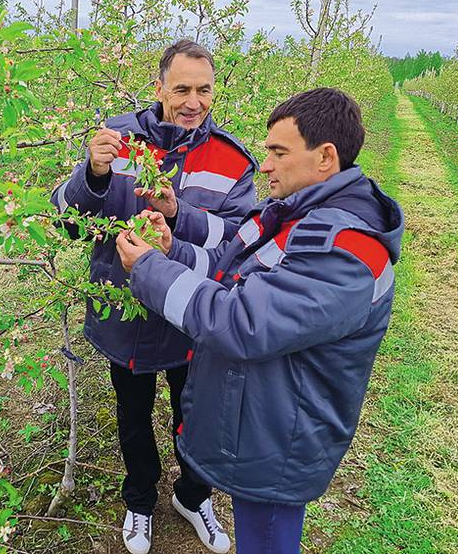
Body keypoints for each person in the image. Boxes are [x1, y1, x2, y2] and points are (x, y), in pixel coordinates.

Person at [115, 87, 404, 554]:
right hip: (262, 417)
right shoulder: (297, 213)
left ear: (325, 157)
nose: (264, 165)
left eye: (278, 152)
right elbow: (232, 267)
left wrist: (149, 268)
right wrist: (174, 247)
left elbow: (243, 319)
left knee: (267, 539)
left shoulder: (345, 250)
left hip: (280, 439)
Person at [51, 39, 258, 554]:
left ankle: (194, 496)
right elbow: (68, 222)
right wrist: (93, 175)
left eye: (204, 90)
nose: (193, 101)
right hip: (125, 318)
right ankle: (140, 501)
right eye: (181, 88)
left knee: (195, 415)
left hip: (194, 317)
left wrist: (176, 225)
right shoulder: (116, 140)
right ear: (159, 85)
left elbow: (237, 242)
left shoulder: (231, 161)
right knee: (133, 416)